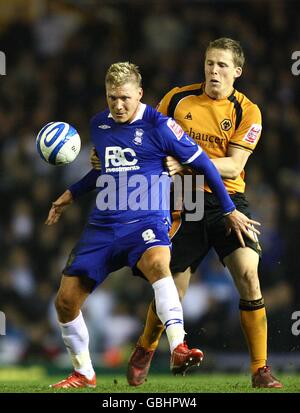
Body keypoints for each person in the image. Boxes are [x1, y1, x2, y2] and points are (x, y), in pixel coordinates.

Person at [46, 61, 259, 389]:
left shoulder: (161, 126)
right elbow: (107, 169)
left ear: (140, 94)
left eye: (125, 98)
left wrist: (229, 209)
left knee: (160, 264)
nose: (118, 105)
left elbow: (205, 166)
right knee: (65, 300)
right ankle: (83, 373)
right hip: (104, 224)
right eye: (112, 98)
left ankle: (178, 347)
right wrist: (70, 194)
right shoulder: (99, 125)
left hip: (146, 219)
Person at [122, 38, 283, 389]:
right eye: (209, 63)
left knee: (248, 273)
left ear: (237, 72)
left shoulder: (248, 111)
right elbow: (146, 138)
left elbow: (234, 164)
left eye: (222, 65)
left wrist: (185, 160)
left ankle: (259, 369)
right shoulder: (177, 98)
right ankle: (145, 349)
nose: (213, 70)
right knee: (172, 290)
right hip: (184, 198)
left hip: (228, 200)